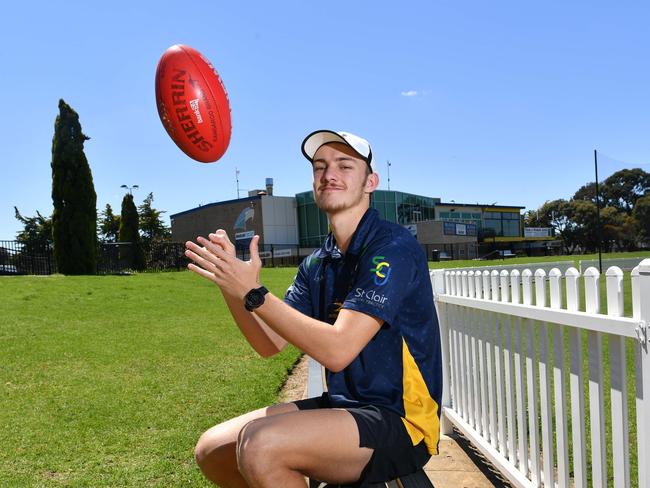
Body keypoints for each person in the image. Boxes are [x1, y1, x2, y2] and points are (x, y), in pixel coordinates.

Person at [184, 129, 442, 488]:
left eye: (344, 165)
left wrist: (255, 293)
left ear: (371, 181)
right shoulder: (318, 263)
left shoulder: (392, 246)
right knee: (212, 450)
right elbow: (269, 344)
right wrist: (234, 288)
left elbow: (338, 350)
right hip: (342, 405)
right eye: (320, 166)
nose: (329, 174)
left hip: (400, 420)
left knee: (261, 445)